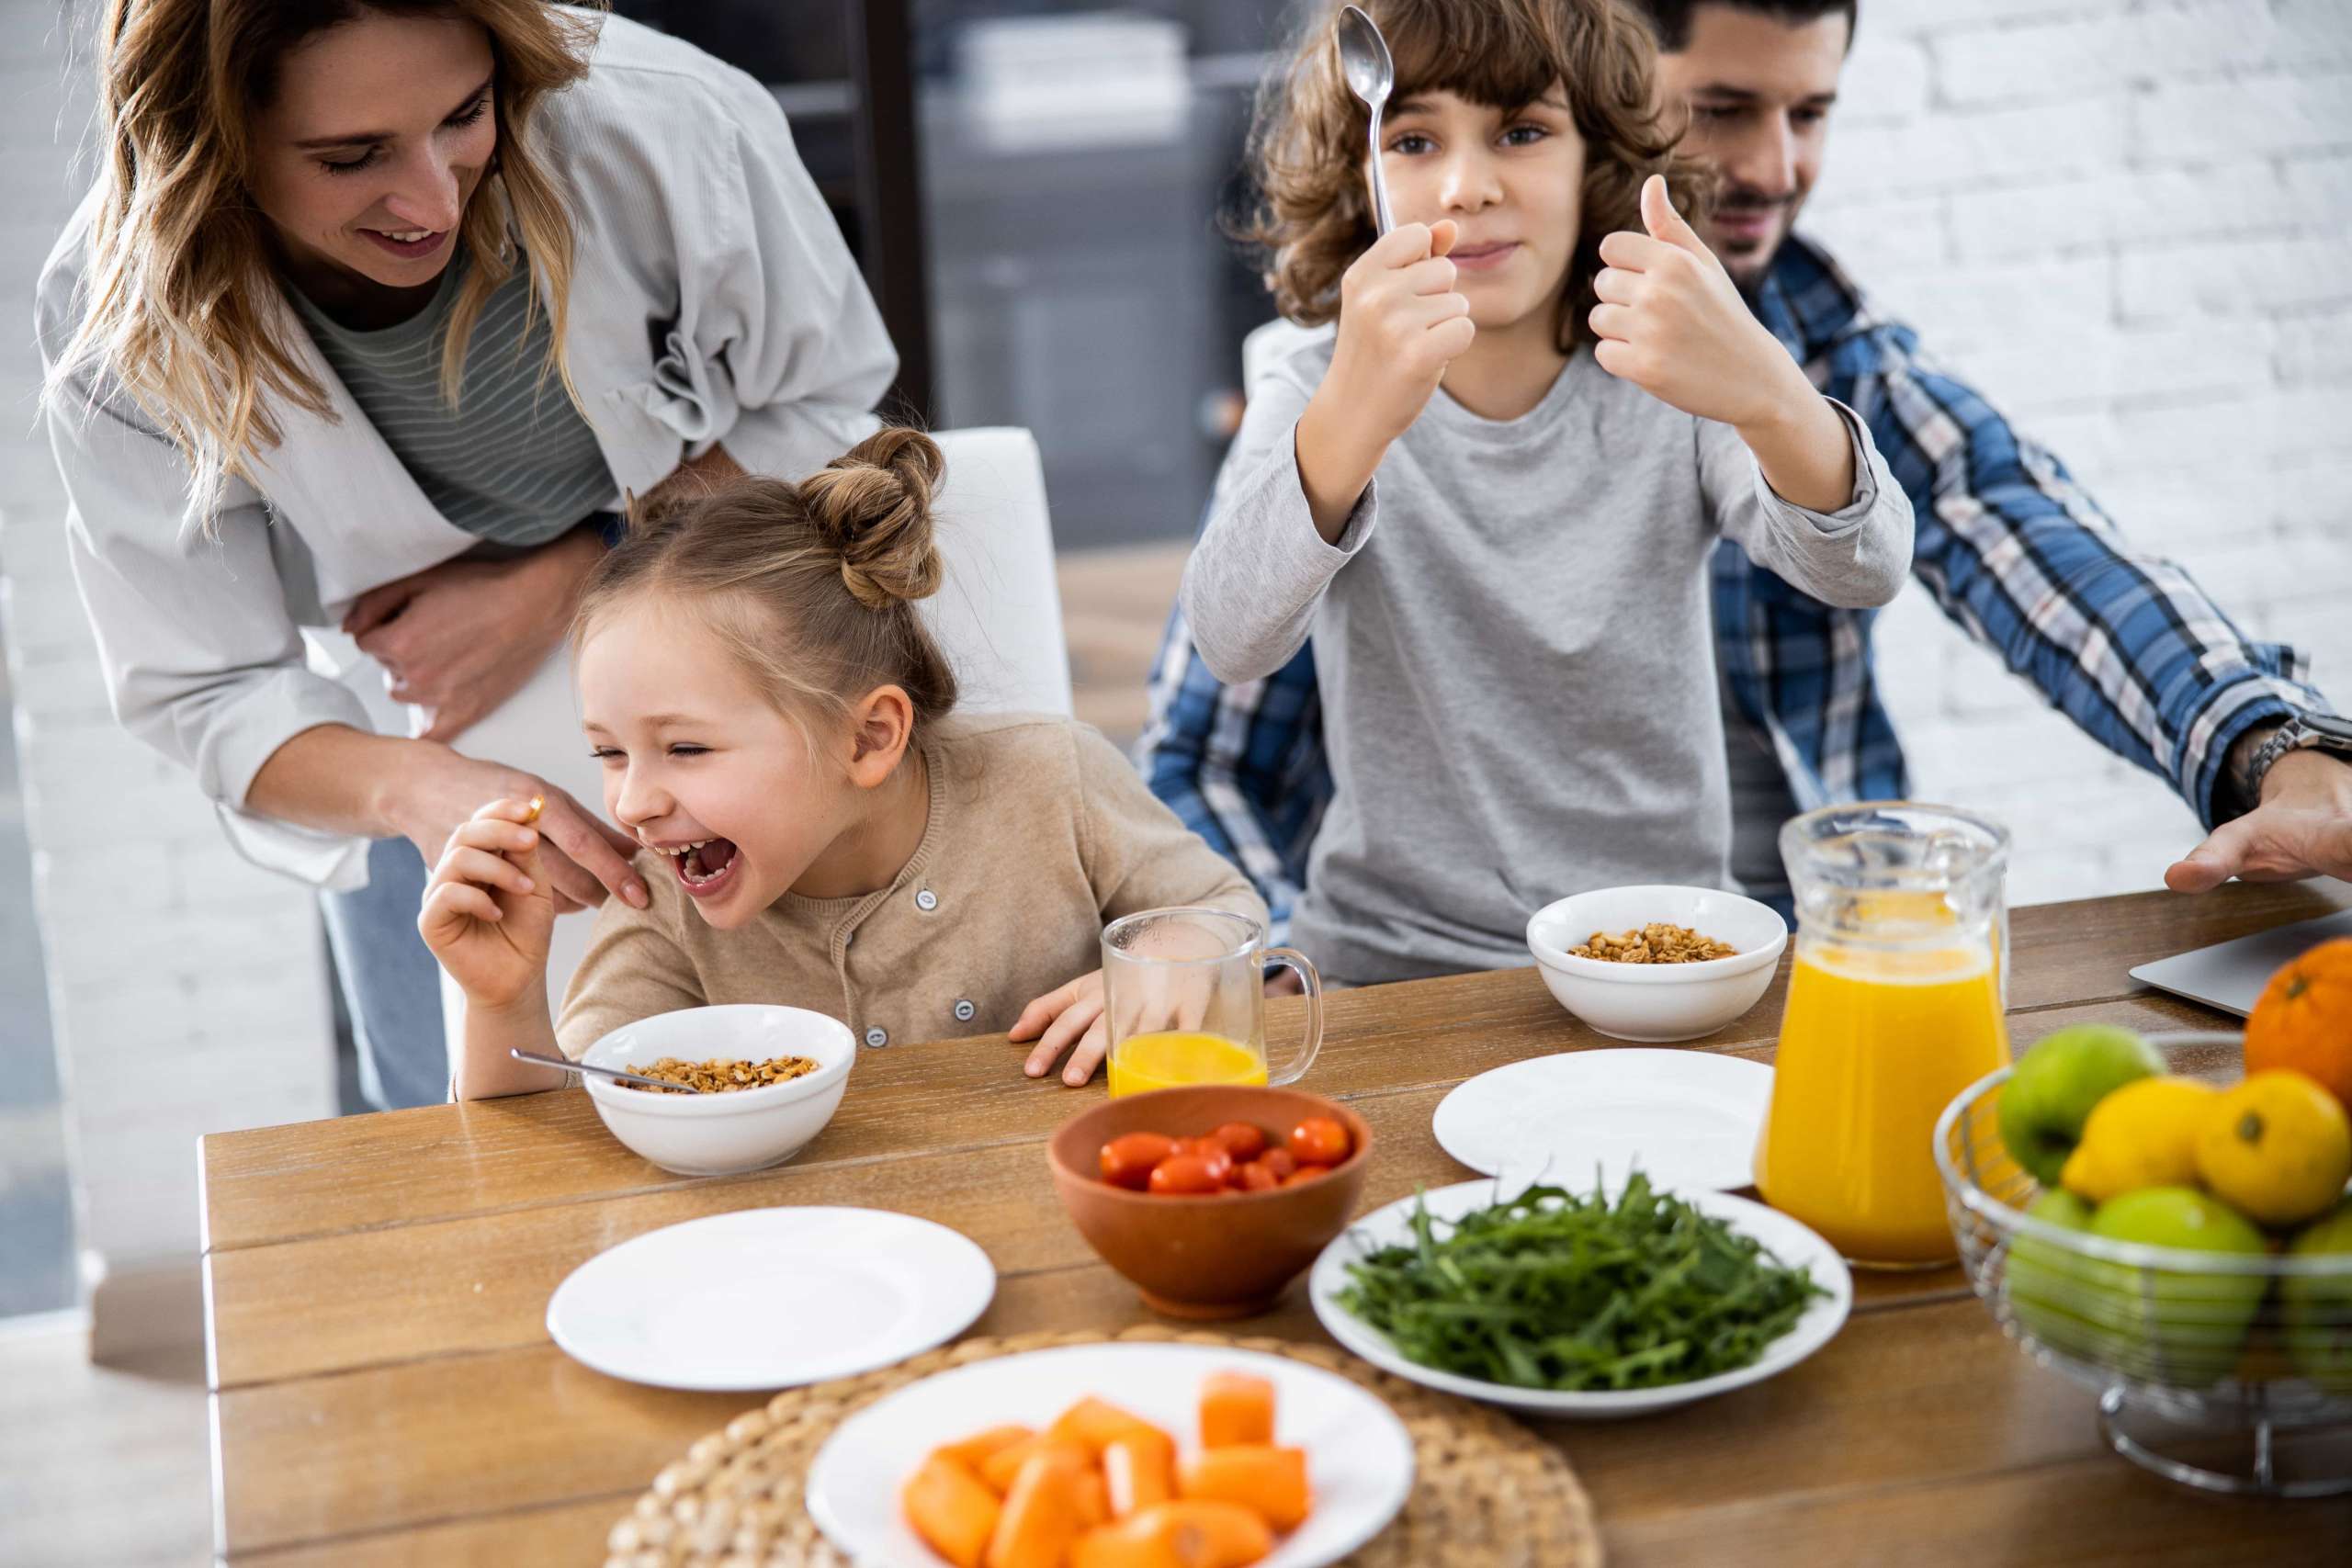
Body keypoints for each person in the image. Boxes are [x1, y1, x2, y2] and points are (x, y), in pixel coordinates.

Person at [1144, 0, 2352, 937]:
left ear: (1587, 142)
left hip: (1724, 936)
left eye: (1811, 112)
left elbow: (2007, 532)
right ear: (1638, 101)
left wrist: (2270, 743)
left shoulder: (1770, 352)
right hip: (1414, 948)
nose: (1771, 169)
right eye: (1721, 111)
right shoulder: (1332, 378)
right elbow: (1211, 714)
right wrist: (1282, 965)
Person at [39, 3, 898, 1109]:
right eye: (350, 158)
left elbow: (827, 403)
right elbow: (206, 687)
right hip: (398, 742)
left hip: (712, 642)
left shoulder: (661, 122)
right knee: (451, 1126)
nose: (433, 198)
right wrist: (426, 792)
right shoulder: (115, 313)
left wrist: (578, 573)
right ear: (214, 148)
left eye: (465, 116)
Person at [1175, 0, 1913, 987]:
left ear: (1594, 158)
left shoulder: (1669, 372)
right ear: (1362, 174)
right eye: (1412, 138)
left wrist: (1772, 393)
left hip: (1656, 956)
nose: (1467, 185)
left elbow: (1862, 565)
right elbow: (1228, 638)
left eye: (1522, 132)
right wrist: (1350, 417)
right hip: (1389, 973)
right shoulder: (1314, 387)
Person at [421, 430, 1265, 1098]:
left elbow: (1230, 917)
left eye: (684, 748)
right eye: (608, 752)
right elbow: (562, 1131)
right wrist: (503, 1003)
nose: (634, 803)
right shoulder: (666, 895)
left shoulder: (1053, 777)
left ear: (867, 739)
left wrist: (1163, 968)